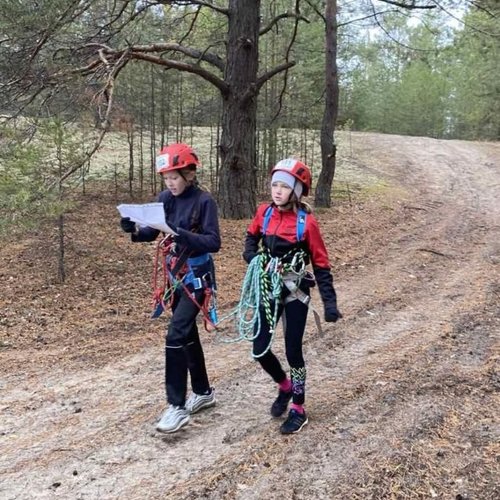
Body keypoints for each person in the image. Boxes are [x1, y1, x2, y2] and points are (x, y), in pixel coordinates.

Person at [120, 143, 221, 433]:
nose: (170, 184)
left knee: (176, 333)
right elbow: (153, 230)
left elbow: (214, 242)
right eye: (166, 178)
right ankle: (202, 392)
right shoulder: (165, 198)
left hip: (196, 279)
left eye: (174, 178)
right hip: (174, 278)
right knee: (187, 335)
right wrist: (134, 230)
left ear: (189, 174)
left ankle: (176, 406)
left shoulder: (204, 202)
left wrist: (182, 234)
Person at [242, 158, 341, 434]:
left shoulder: (306, 224)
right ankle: (284, 386)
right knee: (259, 349)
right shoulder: (265, 213)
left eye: (284, 186)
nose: (277, 191)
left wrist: (330, 303)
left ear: (297, 190)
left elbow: (321, 264)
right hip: (268, 288)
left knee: (293, 350)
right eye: (274, 184)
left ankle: (298, 407)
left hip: (295, 292)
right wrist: (252, 257)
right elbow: (250, 238)